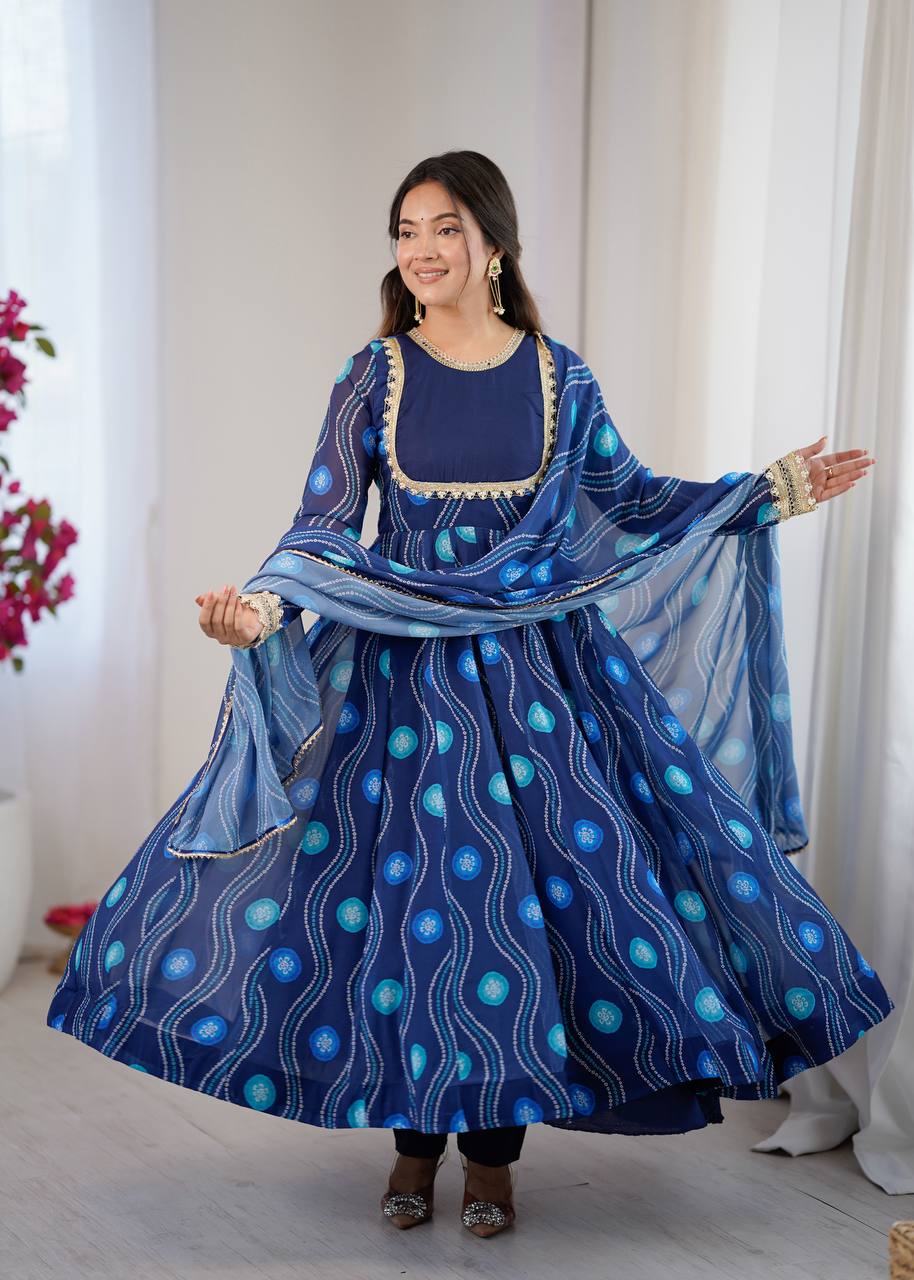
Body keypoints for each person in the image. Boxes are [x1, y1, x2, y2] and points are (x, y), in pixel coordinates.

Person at [47, 150, 892, 1241]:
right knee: (410, 917)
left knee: (521, 921)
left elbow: (629, 501)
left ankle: (492, 1157)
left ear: (493, 244)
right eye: (405, 230)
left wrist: (762, 491)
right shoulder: (374, 373)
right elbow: (322, 524)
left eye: (443, 227)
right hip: (397, 687)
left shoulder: (560, 377)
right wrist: (259, 611)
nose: (421, 250)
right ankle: (412, 1144)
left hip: (540, 684)